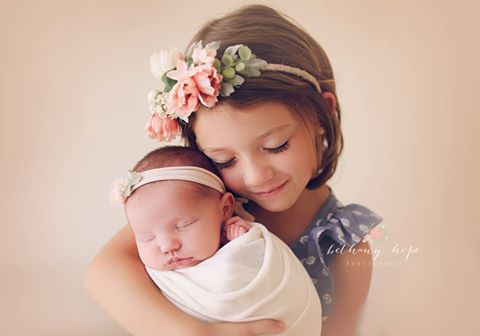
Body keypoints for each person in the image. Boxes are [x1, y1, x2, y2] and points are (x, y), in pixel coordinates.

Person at [85, 4, 382, 336]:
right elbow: (103, 272)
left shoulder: (341, 244)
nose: (255, 177)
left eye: (276, 145)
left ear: (321, 117)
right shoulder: (195, 207)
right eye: (224, 161)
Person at [111, 146, 322, 335]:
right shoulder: (151, 271)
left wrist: (241, 245)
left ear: (225, 209)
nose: (167, 246)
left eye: (183, 225)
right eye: (146, 237)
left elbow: (246, 272)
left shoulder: (243, 238)